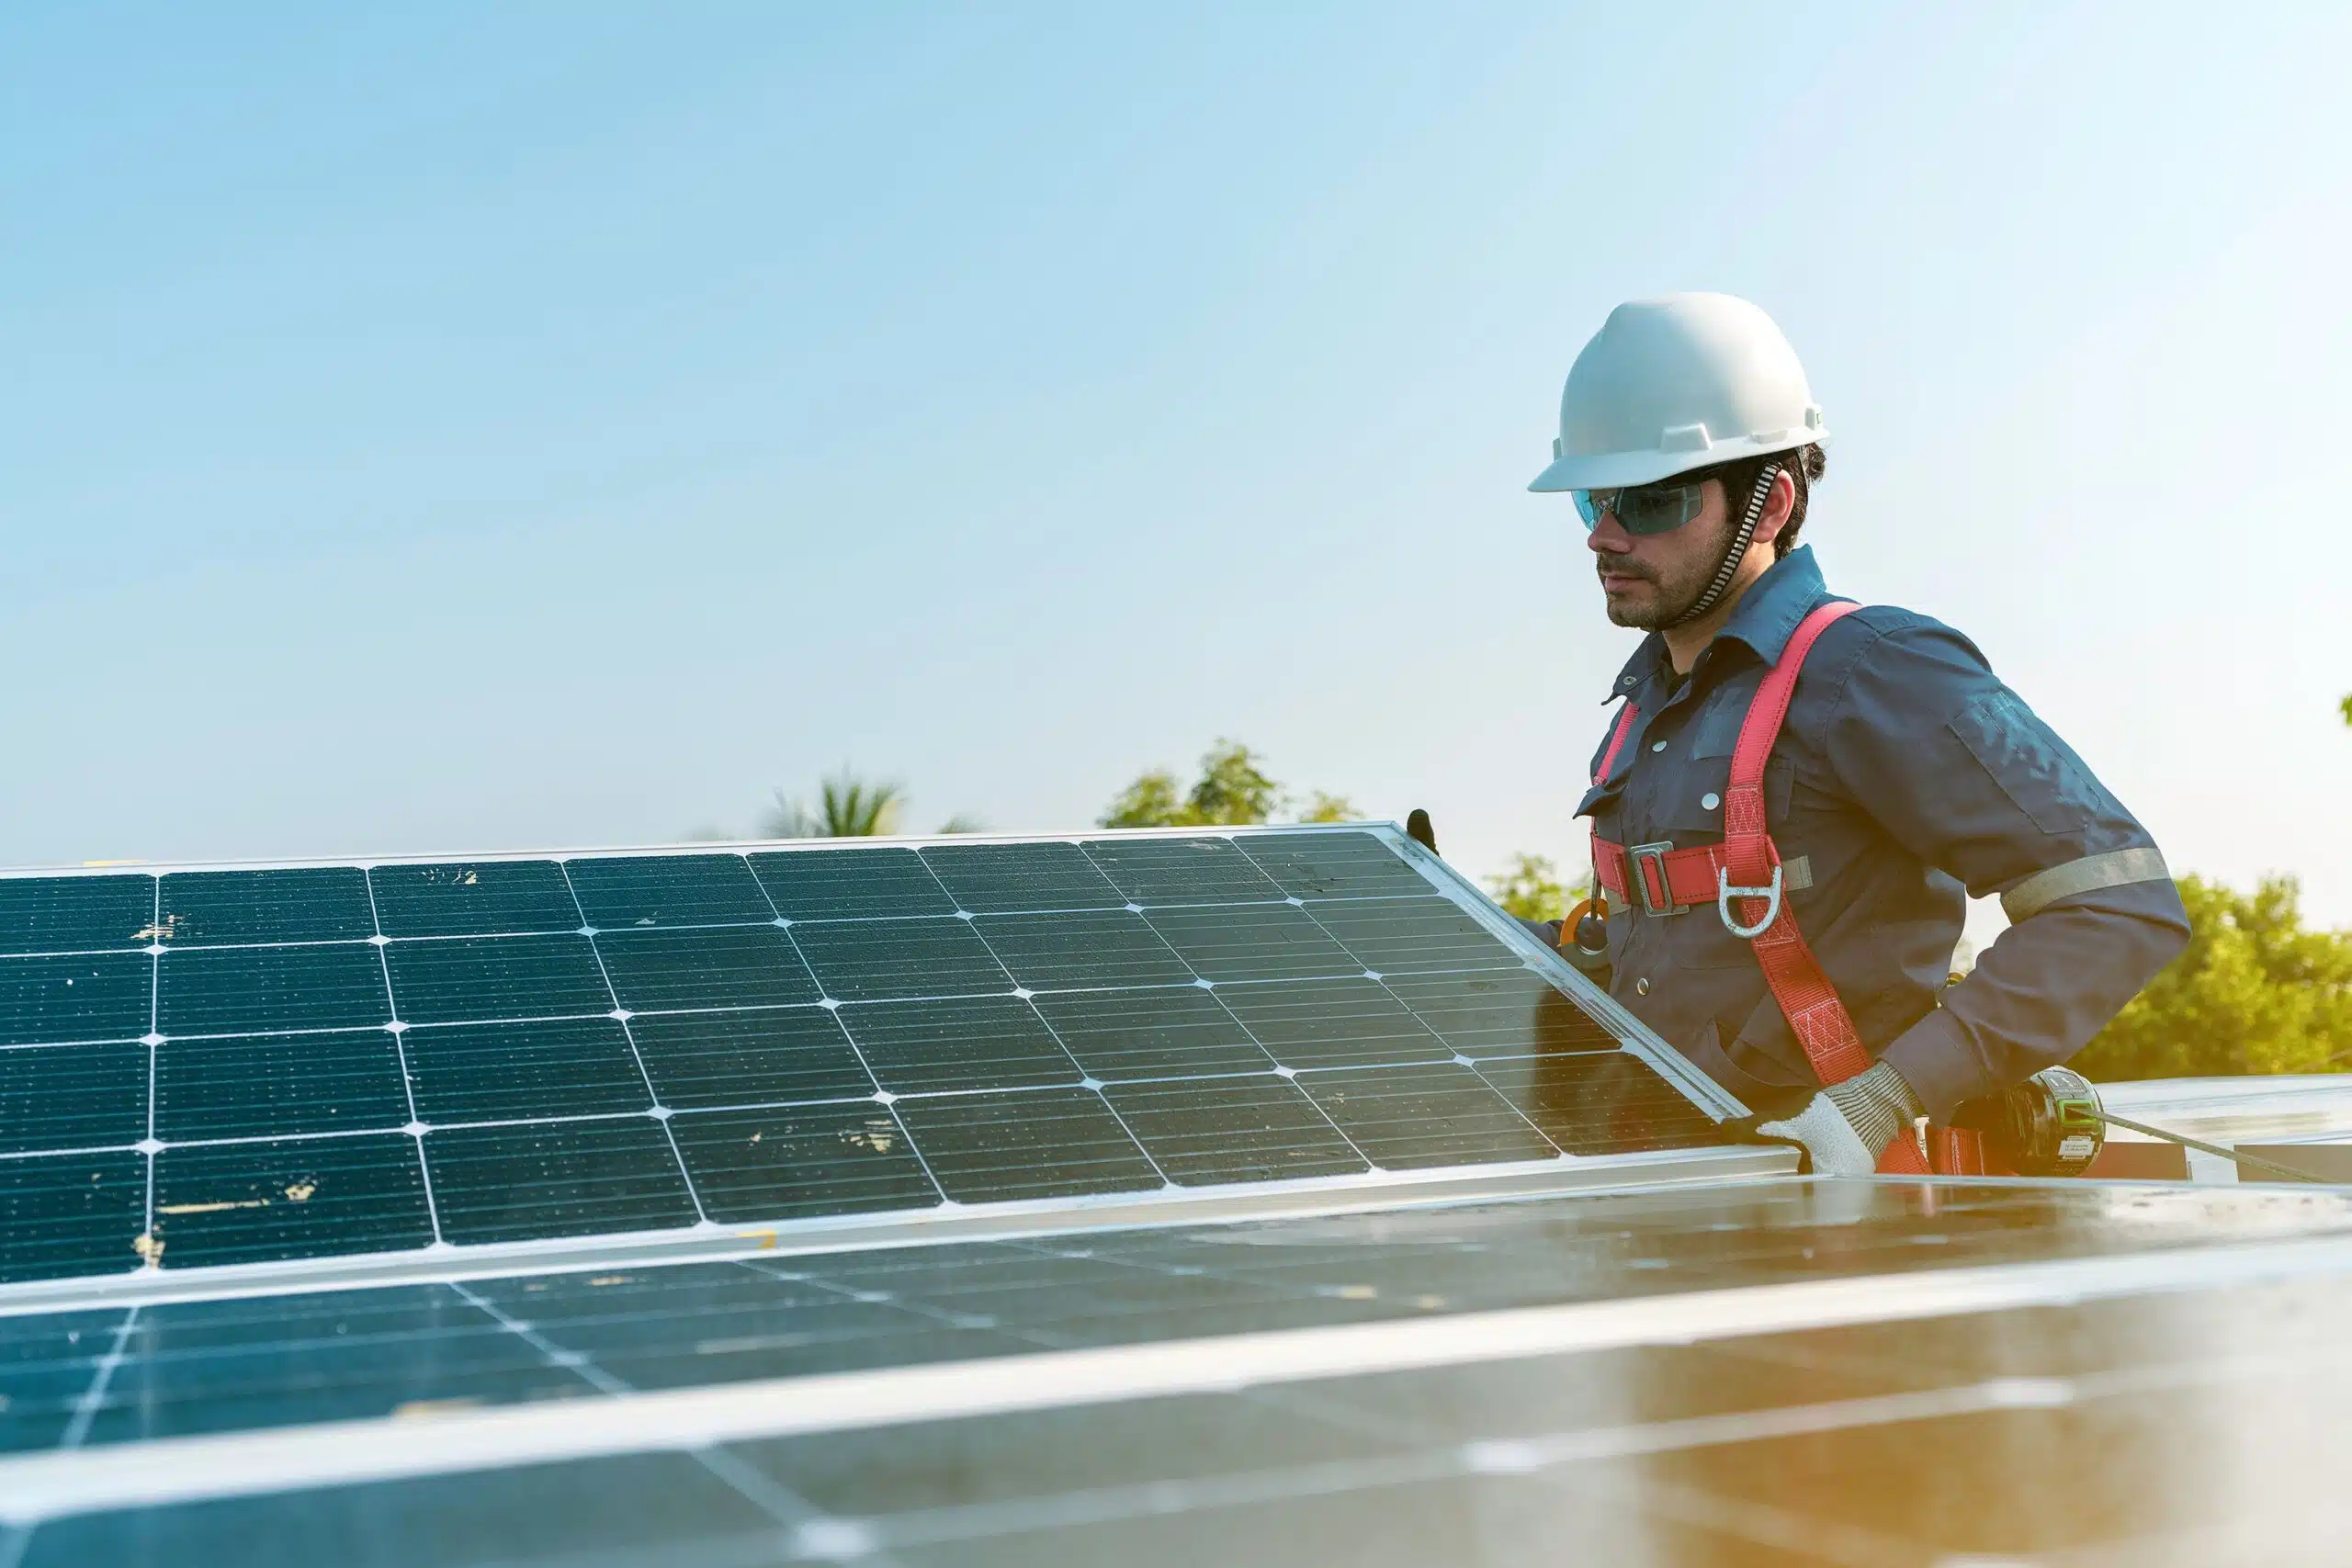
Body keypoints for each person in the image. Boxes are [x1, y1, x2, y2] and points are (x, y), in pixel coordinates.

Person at [1515, 293, 2188, 1174]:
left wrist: (1889, 1096)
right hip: (1671, 1198)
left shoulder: (1872, 670)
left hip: (1845, 1223)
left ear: (1767, 504)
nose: (1604, 535)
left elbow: (2117, 903)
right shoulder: (1648, 701)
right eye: (1594, 501)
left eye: (1651, 503)